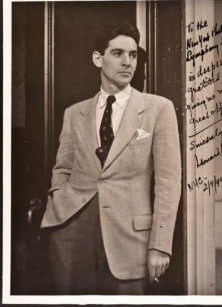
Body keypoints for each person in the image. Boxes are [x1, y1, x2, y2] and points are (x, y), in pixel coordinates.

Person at [41, 20, 181, 295]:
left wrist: (160, 245)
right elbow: (63, 168)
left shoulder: (158, 109)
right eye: (117, 53)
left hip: (129, 238)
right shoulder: (74, 113)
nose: (127, 62)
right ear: (98, 58)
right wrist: (58, 200)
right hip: (71, 230)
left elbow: (168, 182)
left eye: (133, 55)